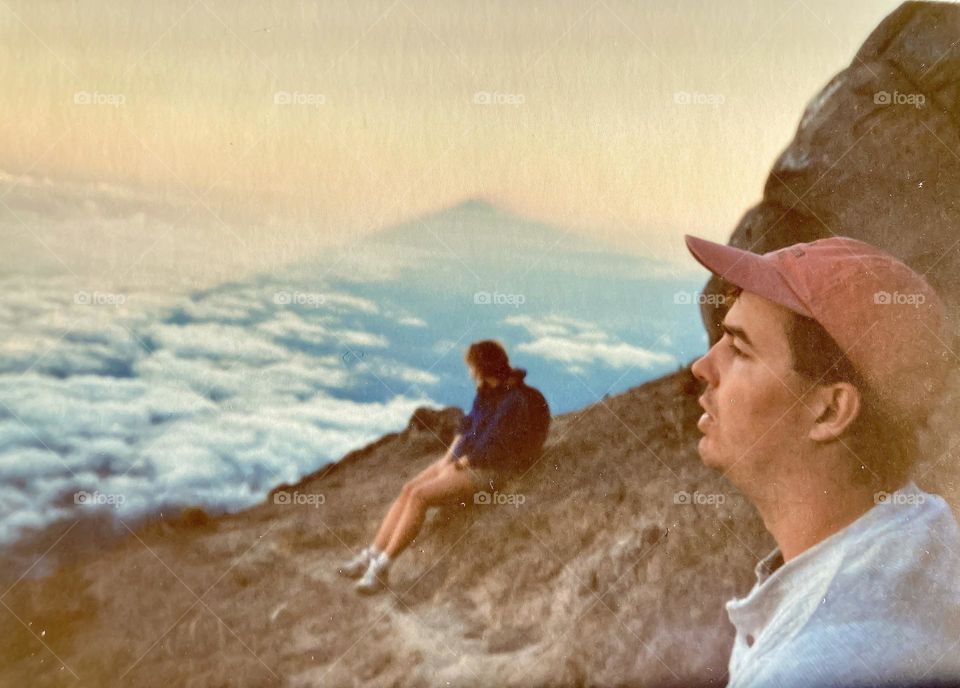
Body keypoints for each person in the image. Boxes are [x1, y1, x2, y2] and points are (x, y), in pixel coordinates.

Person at [684, 233, 960, 687]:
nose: (702, 366)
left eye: (739, 348)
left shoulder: (812, 667)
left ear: (830, 411)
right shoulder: (922, 532)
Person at [337, 339, 550, 595]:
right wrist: (447, 459)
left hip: (490, 470)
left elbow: (496, 446)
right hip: (467, 460)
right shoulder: (487, 391)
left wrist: (461, 464)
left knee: (420, 496)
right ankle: (371, 555)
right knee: (408, 488)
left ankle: (382, 568)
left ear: (483, 367)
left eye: (472, 366)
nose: (469, 371)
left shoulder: (513, 400)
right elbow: (467, 426)